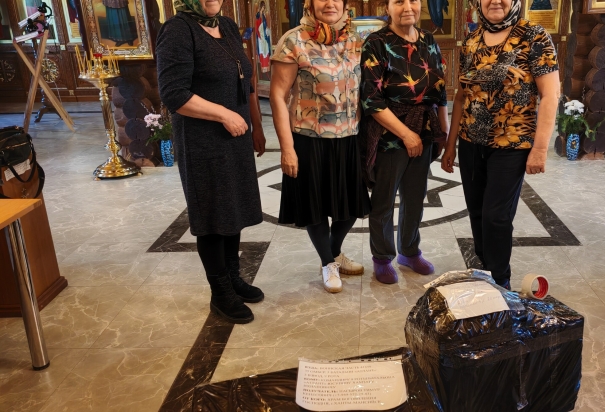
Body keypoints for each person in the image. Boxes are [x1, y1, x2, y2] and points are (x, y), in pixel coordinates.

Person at [156, 0, 267, 323]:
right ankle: (220, 293)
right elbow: (174, 94)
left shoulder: (226, 25)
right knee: (212, 214)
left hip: (236, 136)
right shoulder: (178, 30)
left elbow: (245, 80)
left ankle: (232, 277)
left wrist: (256, 125)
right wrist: (223, 114)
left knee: (232, 209)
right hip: (202, 141)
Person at [440, 0, 559, 289]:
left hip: (512, 143)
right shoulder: (471, 39)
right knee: (477, 211)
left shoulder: (534, 36)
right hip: (471, 141)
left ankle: (500, 281)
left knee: (496, 216)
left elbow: (550, 95)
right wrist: (451, 144)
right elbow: (461, 96)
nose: (495, 1)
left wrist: (540, 149)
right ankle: (485, 270)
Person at [270, 0, 370, 293]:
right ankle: (328, 262)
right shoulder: (293, 41)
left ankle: (334, 251)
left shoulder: (354, 40)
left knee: (350, 207)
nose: (330, 3)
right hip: (309, 139)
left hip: (348, 137)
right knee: (315, 207)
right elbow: (278, 96)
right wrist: (287, 148)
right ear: (310, 4)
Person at [360, 0, 449, 284]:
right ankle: (382, 257)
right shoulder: (376, 43)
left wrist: (443, 131)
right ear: (387, 7)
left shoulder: (428, 40)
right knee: (384, 200)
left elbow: (440, 91)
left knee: (415, 197)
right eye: (399, 1)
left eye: (413, 0)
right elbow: (371, 100)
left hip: (424, 129)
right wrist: (406, 135)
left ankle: (409, 251)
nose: (407, 7)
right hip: (389, 135)